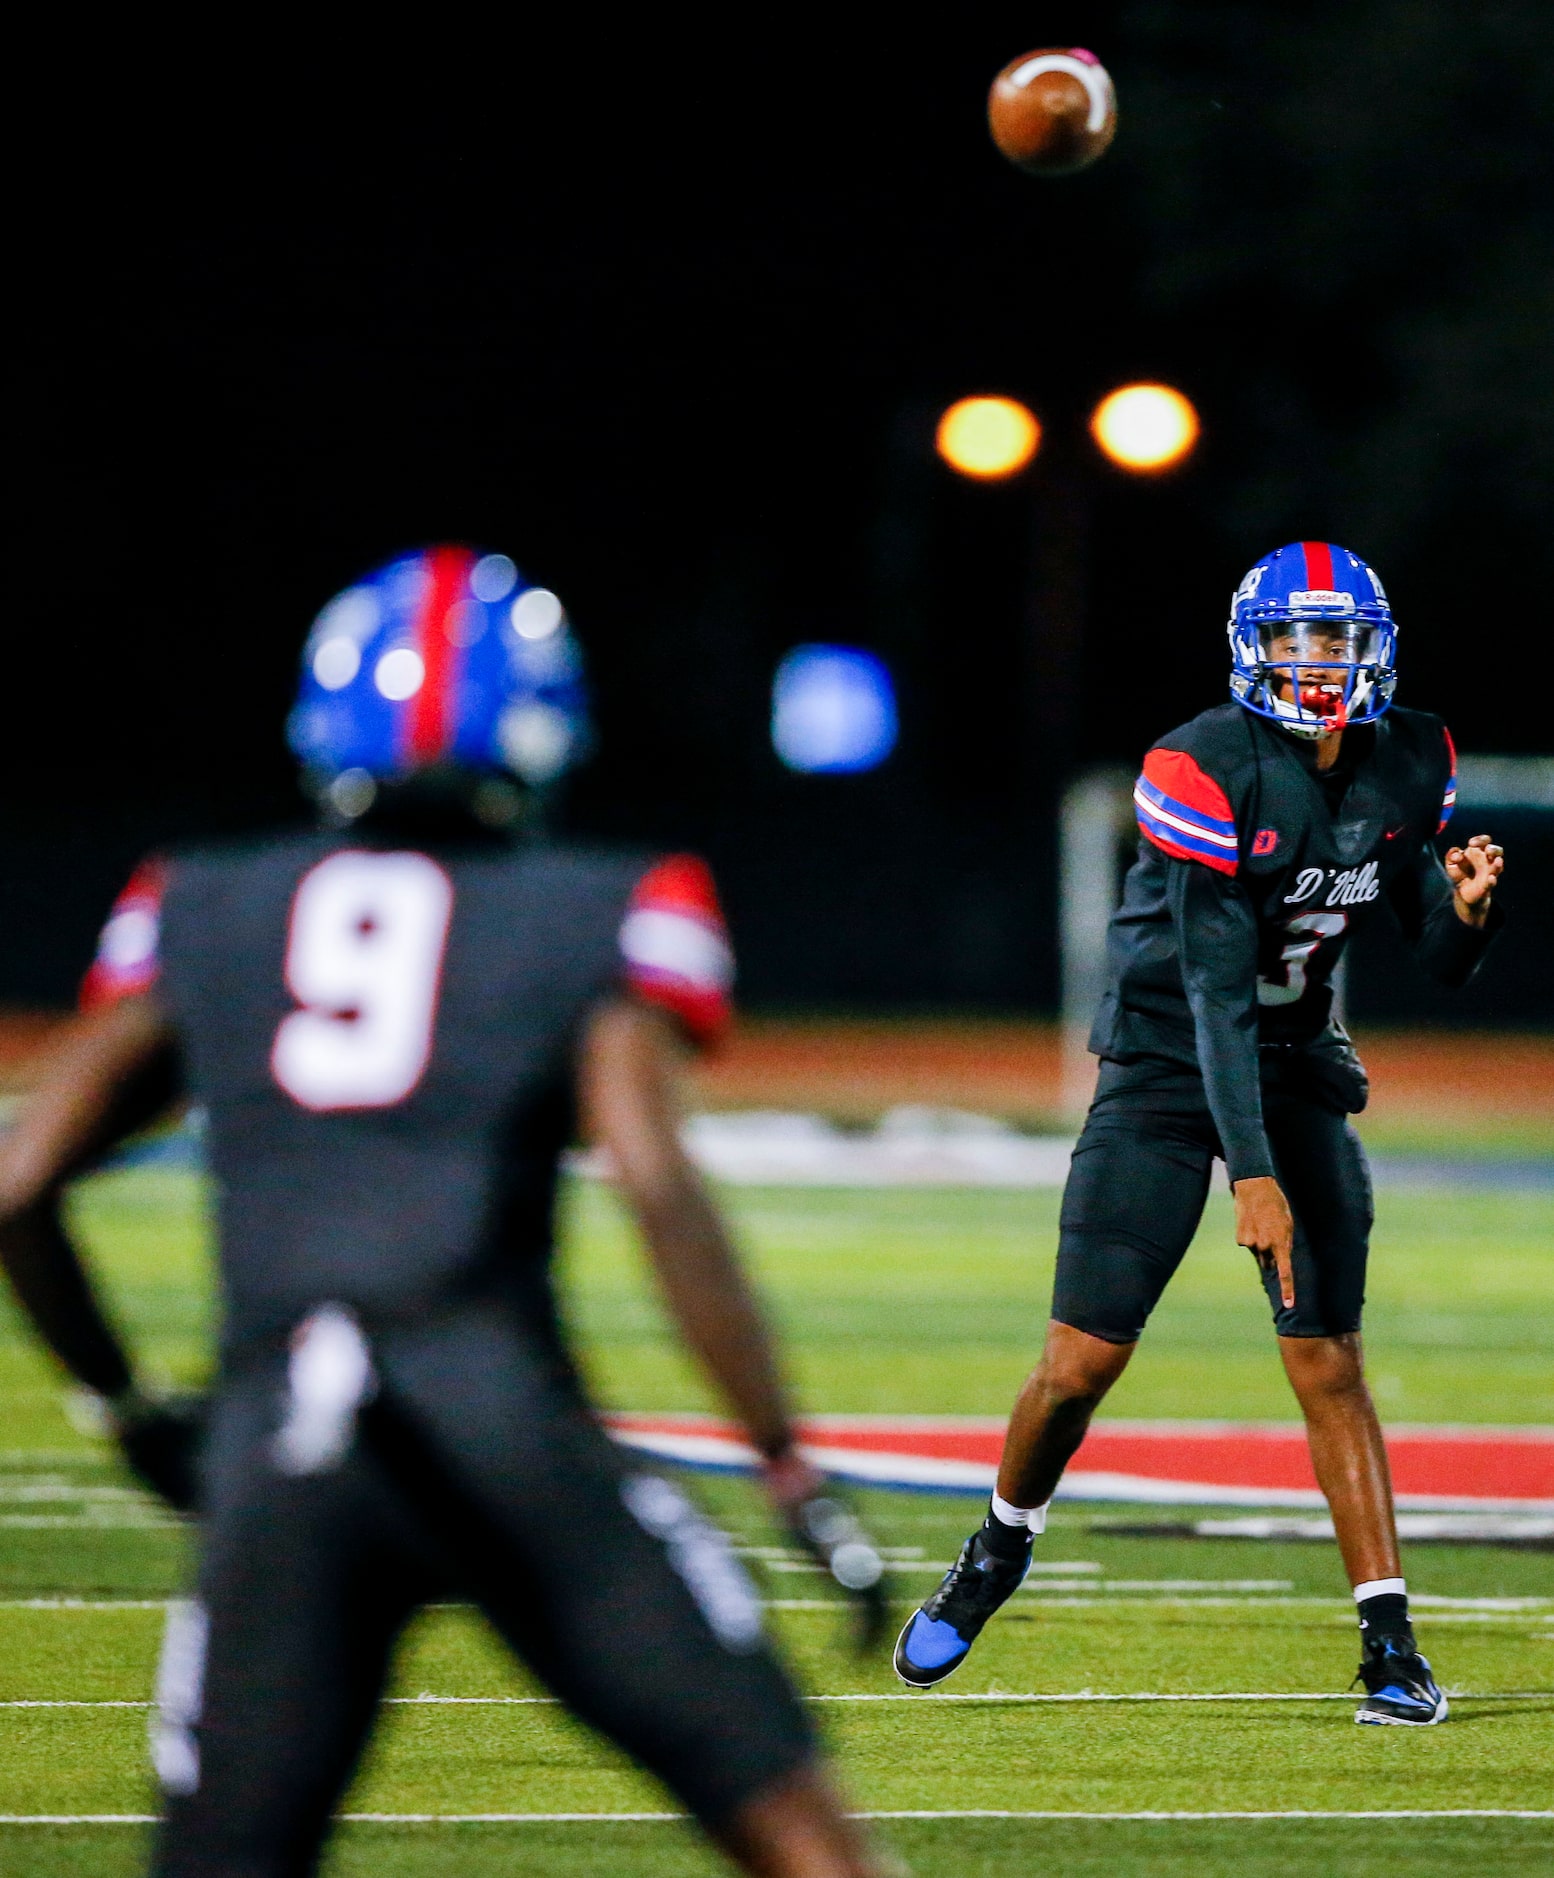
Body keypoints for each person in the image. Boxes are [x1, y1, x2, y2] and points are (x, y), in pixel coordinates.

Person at [0, 544, 888, 1877]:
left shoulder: (200, 903)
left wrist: (125, 1404)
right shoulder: (611, 903)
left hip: (281, 1443)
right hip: (505, 1429)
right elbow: (654, 1181)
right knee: (808, 1846)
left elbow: (16, 1184)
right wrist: (783, 1459)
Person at [894, 540, 1504, 1726]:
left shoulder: (1414, 754)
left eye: (1340, 639)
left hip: (1293, 1062)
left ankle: (1390, 1646)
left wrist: (1468, 914)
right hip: (1171, 1066)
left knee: (1329, 1359)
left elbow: (1436, 957)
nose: (1321, 664)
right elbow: (1218, 994)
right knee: (1081, 1364)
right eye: (1300, 639)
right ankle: (997, 1549)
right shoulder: (1202, 764)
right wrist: (1255, 1178)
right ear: (1252, 648)